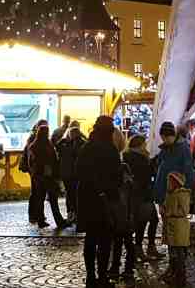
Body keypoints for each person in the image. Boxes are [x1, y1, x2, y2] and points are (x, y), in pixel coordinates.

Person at [77, 116, 122, 288]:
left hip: (88, 199)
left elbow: (79, 172)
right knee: (104, 241)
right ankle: (102, 277)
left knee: (90, 239)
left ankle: (90, 277)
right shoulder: (110, 149)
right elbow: (116, 177)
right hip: (105, 201)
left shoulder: (86, 147)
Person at [154, 122, 194, 288]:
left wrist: (185, 192)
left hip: (176, 197)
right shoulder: (166, 149)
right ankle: (173, 269)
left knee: (177, 234)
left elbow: (188, 173)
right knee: (171, 234)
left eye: (166, 136)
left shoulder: (182, 149)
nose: (164, 139)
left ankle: (179, 273)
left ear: (171, 135)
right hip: (166, 196)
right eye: (163, 136)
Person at [124, 134, 163, 261]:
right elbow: (147, 174)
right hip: (143, 195)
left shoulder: (127, 156)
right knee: (143, 222)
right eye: (144, 144)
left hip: (135, 194)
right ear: (140, 145)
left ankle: (144, 248)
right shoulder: (140, 158)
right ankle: (140, 249)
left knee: (148, 220)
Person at [28, 124, 69, 229]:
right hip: (47, 176)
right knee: (53, 199)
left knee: (40, 199)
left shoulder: (34, 146)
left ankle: (41, 220)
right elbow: (52, 160)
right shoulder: (47, 144)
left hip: (39, 176)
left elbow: (31, 162)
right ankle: (58, 221)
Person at [107, 138, 136, 283]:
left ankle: (126, 268)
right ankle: (118, 267)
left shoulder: (124, 181)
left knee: (125, 244)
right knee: (120, 244)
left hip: (124, 217)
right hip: (120, 217)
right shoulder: (122, 180)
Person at [57, 122, 86, 223]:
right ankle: (73, 213)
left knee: (71, 194)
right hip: (70, 173)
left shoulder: (72, 143)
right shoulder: (69, 143)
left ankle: (73, 213)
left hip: (71, 173)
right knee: (71, 193)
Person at [24, 119, 47, 224]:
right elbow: (31, 157)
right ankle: (34, 215)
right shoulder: (34, 139)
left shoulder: (33, 138)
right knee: (36, 193)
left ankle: (37, 215)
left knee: (37, 193)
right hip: (36, 171)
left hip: (35, 170)